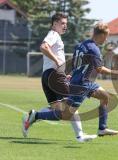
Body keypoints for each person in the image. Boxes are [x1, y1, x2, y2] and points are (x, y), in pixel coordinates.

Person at [23, 22, 118, 136]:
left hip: (86, 82)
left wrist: (71, 73)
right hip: (81, 85)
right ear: (101, 35)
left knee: (105, 97)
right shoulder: (94, 49)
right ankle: (36, 115)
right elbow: (99, 69)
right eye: (106, 36)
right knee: (66, 115)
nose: (106, 39)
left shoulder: (82, 45)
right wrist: (116, 72)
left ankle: (102, 128)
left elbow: (75, 63)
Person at [22, 12, 97, 142]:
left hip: (47, 76)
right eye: (62, 23)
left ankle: (34, 116)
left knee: (58, 112)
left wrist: (63, 73)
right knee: (71, 104)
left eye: (66, 24)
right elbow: (44, 47)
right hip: (54, 75)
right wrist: (57, 61)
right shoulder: (54, 35)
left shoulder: (55, 36)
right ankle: (80, 136)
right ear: (54, 23)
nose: (65, 26)